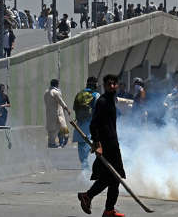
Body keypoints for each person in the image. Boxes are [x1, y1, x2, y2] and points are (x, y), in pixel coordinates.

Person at [77, 74, 126, 217]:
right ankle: (88, 196)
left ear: (117, 85)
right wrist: (98, 144)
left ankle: (108, 210)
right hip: (106, 146)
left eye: (114, 83)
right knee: (112, 177)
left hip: (113, 144)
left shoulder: (111, 101)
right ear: (104, 86)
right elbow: (94, 125)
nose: (112, 86)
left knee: (114, 179)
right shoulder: (102, 101)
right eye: (109, 84)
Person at [73, 77, 101, 168]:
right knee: (96, 149)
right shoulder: (96, 95)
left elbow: (74, 108)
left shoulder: (79, 94)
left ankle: (85, 172)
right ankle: (91, 173)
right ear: (95, 84)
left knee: (83, 151)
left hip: (79, 126)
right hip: (91, 127)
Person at [44, 79, 70, 148]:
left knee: (52, 129)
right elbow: (61, 101)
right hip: (58, 113)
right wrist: (67, 109)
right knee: (63, 126)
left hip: (50, 113)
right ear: (56, 84)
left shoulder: (46, 92)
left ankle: (52, 143)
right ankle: (64, 139)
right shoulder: (55, 92)